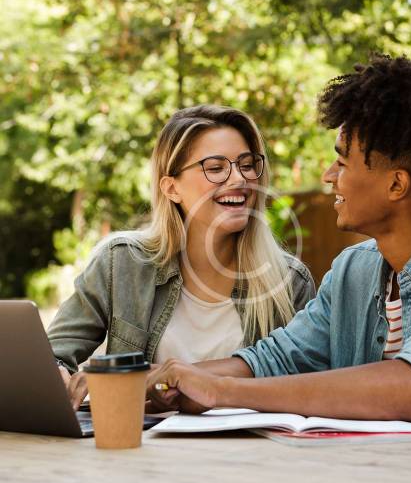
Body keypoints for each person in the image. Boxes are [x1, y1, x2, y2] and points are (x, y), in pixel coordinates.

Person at [147, 52, 411, 421]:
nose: (327, 175)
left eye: (342, 162)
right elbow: (274, 360)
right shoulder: (352, 271)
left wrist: (219, 391)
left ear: (396, 184)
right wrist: (160, 381)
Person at [48, 104, 315, 409]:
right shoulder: (121, 263)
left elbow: (303, 384)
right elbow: (52, 355)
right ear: (171, 188)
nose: (239, 179)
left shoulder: (289, 282)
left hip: (248, 451)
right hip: (138, 449)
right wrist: (55, 375)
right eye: (215, 168)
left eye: (247, 164)